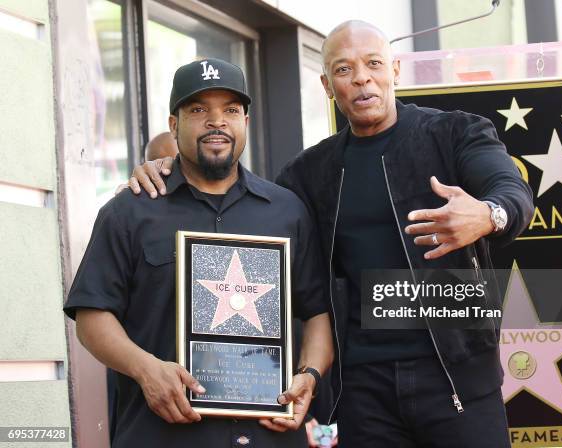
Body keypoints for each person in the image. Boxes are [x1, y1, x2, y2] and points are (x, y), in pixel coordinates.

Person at [128, 21, 534, 448]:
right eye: (344, 69)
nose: (361, 77)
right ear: (327, 85)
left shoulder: (456, 133)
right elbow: (243, 211)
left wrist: (490, 216)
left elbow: (513, 193)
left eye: (373, 63)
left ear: (394, 70)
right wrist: (165, 172)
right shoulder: (309, 173)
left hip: (459, 379)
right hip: (363, 389)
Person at [64, 57, 333, 448]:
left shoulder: (287, 211)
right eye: (198, 109)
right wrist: (146, 370)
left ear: (245, 122)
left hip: (266, 437)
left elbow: (316, 314)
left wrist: (309, 375)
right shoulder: (129, 211)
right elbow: (91, 317)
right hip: (160, 436)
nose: (216, 121)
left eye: (230, 110)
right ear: (174, 125)